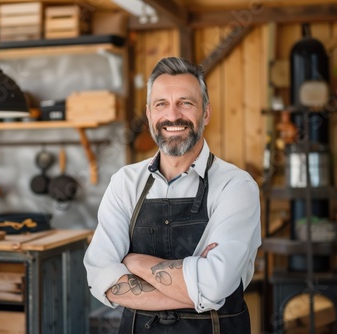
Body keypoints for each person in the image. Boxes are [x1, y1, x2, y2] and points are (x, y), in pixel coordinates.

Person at [84, 56, 261, 333]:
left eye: (185, 103)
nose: (173, 115)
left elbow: (215, 284)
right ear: (150, 114)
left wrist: (134, 262)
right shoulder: (125, 183)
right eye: (161, 104)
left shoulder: (236, 186)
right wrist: (195, 291)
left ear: (205, 113)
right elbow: (100, 276)